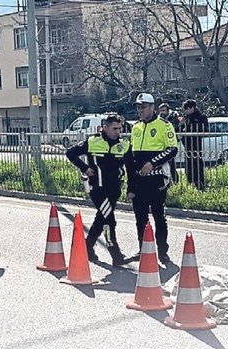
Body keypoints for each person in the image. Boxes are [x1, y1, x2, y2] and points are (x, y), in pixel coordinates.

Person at [66, 114, 130, 266]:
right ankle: (116, 255)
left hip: (114, 190)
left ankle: (87, 246)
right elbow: (70, 153)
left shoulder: (124, 145)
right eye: (114, 128)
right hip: (97, 189)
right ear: (105, 128)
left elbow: (131, 169)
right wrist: (84, 168)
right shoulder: (93, 141)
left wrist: (131, 189)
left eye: (119, 129)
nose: (118, 132)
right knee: (109, 221)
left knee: (101, 219)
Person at [127, 93, 179, 263]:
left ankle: (162, 251)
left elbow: (172, 149)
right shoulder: (136, 127)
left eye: (143, 107)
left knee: (158, 216)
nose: (140, 110)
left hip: (157, 178)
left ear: (152, 107)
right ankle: (143, 250)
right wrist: (131, 184)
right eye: (138, 107)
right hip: (139, 180)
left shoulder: (165, 125)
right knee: (140, 217)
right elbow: (132, 156)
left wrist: (153, 163)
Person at [181, 99, 208, 190]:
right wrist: (182, 124)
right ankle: (190, 183)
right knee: (188, 164)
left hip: (196, 144)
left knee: (197, 163)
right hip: (187, 145)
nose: (185, 111)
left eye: (186, 109)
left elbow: (205, 130)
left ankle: (200, 183)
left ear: (192, 108)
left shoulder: (201, 117)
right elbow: (181, 129)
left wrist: (192, 128)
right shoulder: (186, 117)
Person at [159, 103, 181, 185]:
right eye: (160, 111)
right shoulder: (159, 118)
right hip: (163, 143)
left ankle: (175, 181)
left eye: (163, 110)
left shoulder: (174, 116)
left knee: (171, 163)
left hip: (171, 142)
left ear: (168, 111)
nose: (162, 112)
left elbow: (180, 123)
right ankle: (168, 182)